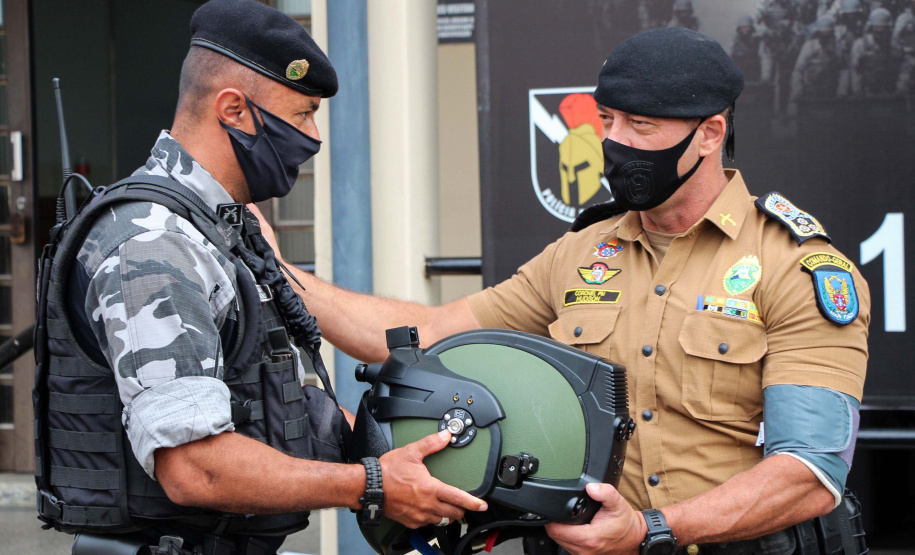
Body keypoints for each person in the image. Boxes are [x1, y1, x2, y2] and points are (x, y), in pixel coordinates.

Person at [261, 27, 870, 555]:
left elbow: (808, 470)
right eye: (607, 121)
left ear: (710, 134)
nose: (616, 142)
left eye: (642, 125)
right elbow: (428, 336)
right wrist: (280, 272)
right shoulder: (581, 254)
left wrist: (653, 530)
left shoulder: (794, 268)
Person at [38, 0, 486, 553]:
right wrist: (372, 485)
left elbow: (278, 404)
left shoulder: (220, 227)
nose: (313, 138)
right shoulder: (155, 246)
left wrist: (409, 454)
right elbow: (196, 467)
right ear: (234, 109)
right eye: (300, 116)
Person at [789, 14, 841, 113]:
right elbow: (798, 70)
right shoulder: (809, 47)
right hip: (810, 91)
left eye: (828, 35)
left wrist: (841, 92)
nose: (825, 38)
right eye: (823, 35)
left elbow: (843, 70)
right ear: (818, 34)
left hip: (830, 92)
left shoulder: (837, 48)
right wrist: (798, 90)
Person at [850, 7, 901, 96]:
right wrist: (857, 92)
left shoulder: (894, 45)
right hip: (867, 91)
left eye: (884, 30)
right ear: (871, 28)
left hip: (889, 91)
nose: (880, 35)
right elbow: (855, 70)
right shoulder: (861, 45)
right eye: (878, 31)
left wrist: (900, 89)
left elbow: (902, 68)